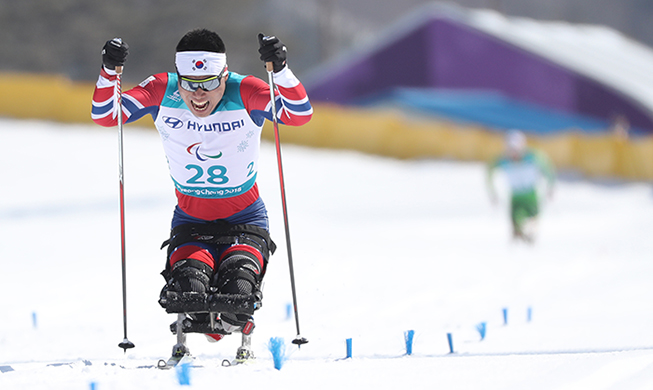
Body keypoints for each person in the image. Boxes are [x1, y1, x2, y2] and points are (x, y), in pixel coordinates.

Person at [91, 29, 313, 360]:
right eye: (190, 83)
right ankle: (209, 323)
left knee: (238, 291)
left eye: (209, 83)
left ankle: (231, 321)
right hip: (192, 219)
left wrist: (280, 68)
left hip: (245, 218)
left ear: (224, 75)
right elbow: (107, 115)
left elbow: (298, 114)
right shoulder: (162, 90)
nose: (198, 94)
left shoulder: (245, 89)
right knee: (188, 292)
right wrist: (109, 70)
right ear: (178, 77)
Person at [487, 130, 555, 243]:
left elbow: (547, 168)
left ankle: (530, 237)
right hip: (516, 197)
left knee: (532, 222)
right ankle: (520, 237)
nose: (513, 153)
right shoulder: (503, 161)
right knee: (516, 228)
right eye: (510, 150)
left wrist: (550, 186)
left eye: (516, 150)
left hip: (530, 196)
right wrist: (492, 192)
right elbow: (489, 172)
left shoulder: (532, 157)